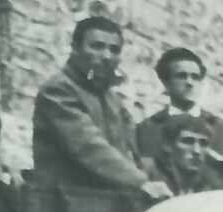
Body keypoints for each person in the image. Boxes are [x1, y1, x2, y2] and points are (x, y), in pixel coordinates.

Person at [31, 16, 172, 200]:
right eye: (96, 46)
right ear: (75, 48)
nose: (107, 56)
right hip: (61, 202)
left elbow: (134, 145)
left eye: (114, 50)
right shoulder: (58, 90)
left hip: (102, 201)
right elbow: (88, 146)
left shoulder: (110, 97)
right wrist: (141, 182)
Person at [136, 47, 223, 189]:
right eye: (181, 76)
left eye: (195, 77)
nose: (189, 82)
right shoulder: (147, 129)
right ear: (166, 82)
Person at [143, 114, 223, 195]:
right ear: (168, 145)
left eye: (203, 143)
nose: (197, 151)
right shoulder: (147, 177)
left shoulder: (215, 187)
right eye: (188, 141)